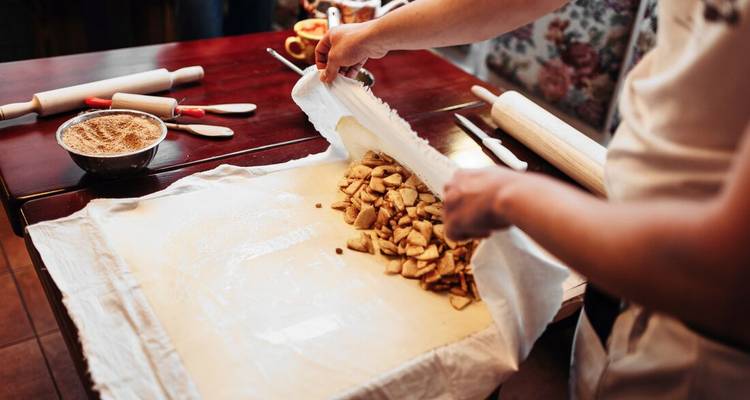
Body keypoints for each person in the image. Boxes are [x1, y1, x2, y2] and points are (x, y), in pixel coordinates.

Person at [315, 0, 750, 398]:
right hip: (623, 264)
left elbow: (723, 278)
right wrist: (375, 34)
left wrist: (511, 195)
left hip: (702, 349)